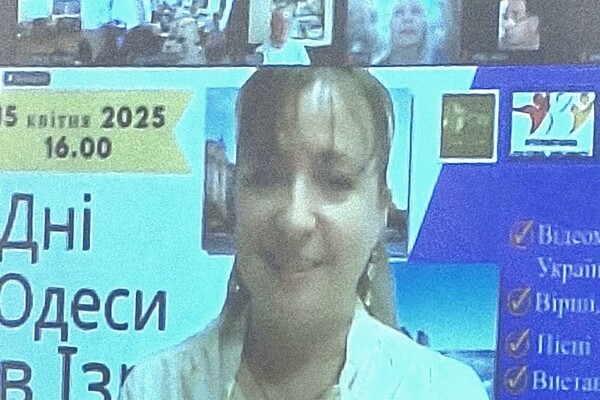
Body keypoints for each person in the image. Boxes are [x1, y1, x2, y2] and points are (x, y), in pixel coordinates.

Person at [119, 68, 489, 400]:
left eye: (336, 181)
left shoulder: (444, 391)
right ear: (235, 198)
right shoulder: (157, 389)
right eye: (266, 177)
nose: (295, 220)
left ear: (381, 209)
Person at [382, 0, 447, 65]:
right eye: (399, 13)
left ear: (425, 24)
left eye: (415, 12)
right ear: (389, 24)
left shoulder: (443, 65)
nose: (407, 18)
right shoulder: (376, 67)